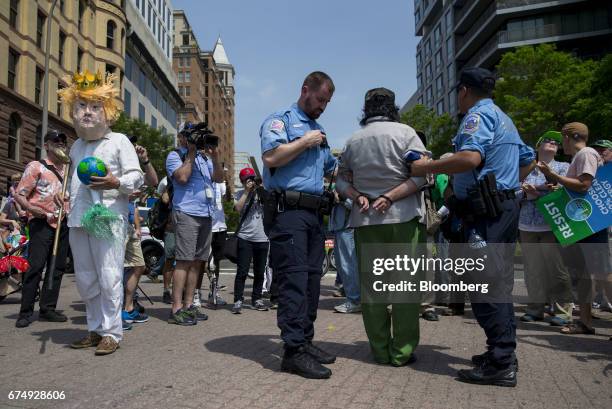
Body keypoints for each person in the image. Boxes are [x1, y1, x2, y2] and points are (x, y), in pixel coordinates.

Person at [411, 67, 536, 387]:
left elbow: (468, 158)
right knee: (499, 282)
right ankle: (502, 351)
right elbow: (529, 159)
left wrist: (426, 166)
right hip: (502, 209)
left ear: (464, 91)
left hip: (485, 214)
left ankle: (501, 361)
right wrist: (505, 187)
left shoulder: (476, 118)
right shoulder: (503, 117)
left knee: (485, 285)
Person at [337, 87, 426, 366]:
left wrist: (357, 196)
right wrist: (390, 196)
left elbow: (340, 181)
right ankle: (401, 352)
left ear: (366, 110)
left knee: (373, 290)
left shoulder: (353, 141)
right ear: (393, 107)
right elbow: (423, 175)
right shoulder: (406, 133)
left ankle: (379, 350)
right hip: (403, 218)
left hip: (365, 220)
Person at [60, 70, 144, 355]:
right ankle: (94, 330)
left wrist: (116, 182)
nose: (87, 113)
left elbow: (137, 177)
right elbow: (73, 180)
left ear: (107, 111)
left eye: (95, 107)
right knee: (85, 277)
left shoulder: (119, 141)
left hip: (108, 217)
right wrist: (66, 197)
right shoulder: (76, 146)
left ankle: (112, 332)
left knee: (109, 276)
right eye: (82, 106)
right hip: (78, 218)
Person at [260, 71, 337, 379]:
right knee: (293, 280)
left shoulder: (319, 130)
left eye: (328, 102)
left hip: (315, 214)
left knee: (311, 281)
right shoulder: (282, 121)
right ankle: (292, 352)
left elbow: (334, 168)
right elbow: (272, 157)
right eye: (320, 99)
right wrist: (305, 141)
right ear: (305, 90)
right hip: (288, 211)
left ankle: (305, 341)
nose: (323, 106)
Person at [537, 123, 610, 335]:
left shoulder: (586, 153)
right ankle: (584, 322)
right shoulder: (582, 156)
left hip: (591, 224)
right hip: (583, 223)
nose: (561, 145)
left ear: (571, 137)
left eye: (562, 139)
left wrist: (555, 175)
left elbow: (584, 184)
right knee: (586, 277)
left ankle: (586, 321)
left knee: (603, 274)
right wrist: (556, 183)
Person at [165, 124, 223, 325]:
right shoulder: (175, 156)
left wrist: (215, 157)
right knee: (183, 260)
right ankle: (176, 308)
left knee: (198, 262)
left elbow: (219, 178)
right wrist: (190, 153)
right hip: (186, 213)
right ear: (183, 137)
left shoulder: (204, 158)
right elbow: (181, 178)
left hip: (206, 215)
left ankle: (190, 305)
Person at [13, 130, 70, 328]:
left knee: (57, 267)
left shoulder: (68, 169)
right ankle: (26, 311)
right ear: (46, 145)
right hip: (41, 221)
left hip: (63, 222)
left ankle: (48, 308)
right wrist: (31, 209)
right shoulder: (36, 166)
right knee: (36, 266)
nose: (60, 143)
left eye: (63, 141)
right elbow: (20, 194)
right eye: (56, 141)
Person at [519, 131, 573, 326]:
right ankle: (535, 309)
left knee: (557, 269)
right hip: (526, 224)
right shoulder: (526, 169)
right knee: (533, 270)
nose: (552, 142)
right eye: (547, 140)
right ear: (538, 146)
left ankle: (562, 311)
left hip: (552, 224)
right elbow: (512, 192)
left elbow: (565, 192)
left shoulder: (564, 168)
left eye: (556, 142)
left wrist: (538, 194)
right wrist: (526, 195)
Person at [122, 144, 158, 328]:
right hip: (113, 222)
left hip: (128, 226)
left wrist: (145, 160)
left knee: (138, 266)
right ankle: (117, 312)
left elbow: (153, 181)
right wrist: (125, 194)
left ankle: (128, 308)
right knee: (116, 270)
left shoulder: (134, 173)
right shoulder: (114, 168)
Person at [232, 168, 270, 314]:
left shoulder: (261, 193)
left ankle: (257, 299)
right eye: (247, 179)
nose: (250, 182)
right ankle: (238, 300)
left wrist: (260, 189)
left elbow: (270, 205)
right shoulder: (240, 194)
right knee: (242, 271)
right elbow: (237, 208)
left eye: (252, 179)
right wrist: (247, 192)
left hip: (262, 238)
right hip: (245, 238)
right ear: (242, 182)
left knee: (260, 272)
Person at [329, 188, 360, 313]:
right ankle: (354, 298)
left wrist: (341, 198)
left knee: (348, 264)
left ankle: (355, 300)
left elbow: (356, 203)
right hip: (341, 225)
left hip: (347, 225)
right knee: (344, 264)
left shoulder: (354, 180)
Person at [204, 180, 228, 307]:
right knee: (204, 262)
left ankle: (214, 293)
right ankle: (195, 295)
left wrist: (227, 185)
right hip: (207, 226)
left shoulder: (221, 183)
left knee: (217, 262)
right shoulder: (204, 179)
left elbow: (227, 199)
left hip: (221, 226)